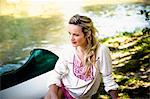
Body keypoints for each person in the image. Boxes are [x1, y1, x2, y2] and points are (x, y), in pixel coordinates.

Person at [44, 14, 119, 99]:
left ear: (87, 34)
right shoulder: (68, 50)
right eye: (70, 34)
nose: (71, 38)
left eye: (76, 35)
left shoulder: (101, 51)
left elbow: (108, 79)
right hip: (63, 91)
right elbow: (57, 73)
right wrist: (53, 94)